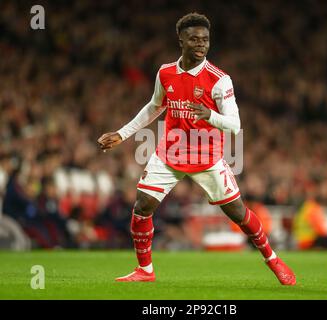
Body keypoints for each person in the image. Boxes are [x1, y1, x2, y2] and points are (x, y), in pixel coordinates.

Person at [97, 13, 296, 285]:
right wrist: (122, 134)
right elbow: (155, 106)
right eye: (194, 39)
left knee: (238, 214)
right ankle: (145, 270)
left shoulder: (219, 80)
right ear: (181, 41)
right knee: (142, 206)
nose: (201, 44)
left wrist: (209, 116)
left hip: (207, 157)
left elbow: (235, 125)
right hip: (169, 153)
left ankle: (273, 259)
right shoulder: (165, 72)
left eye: (205, 39)